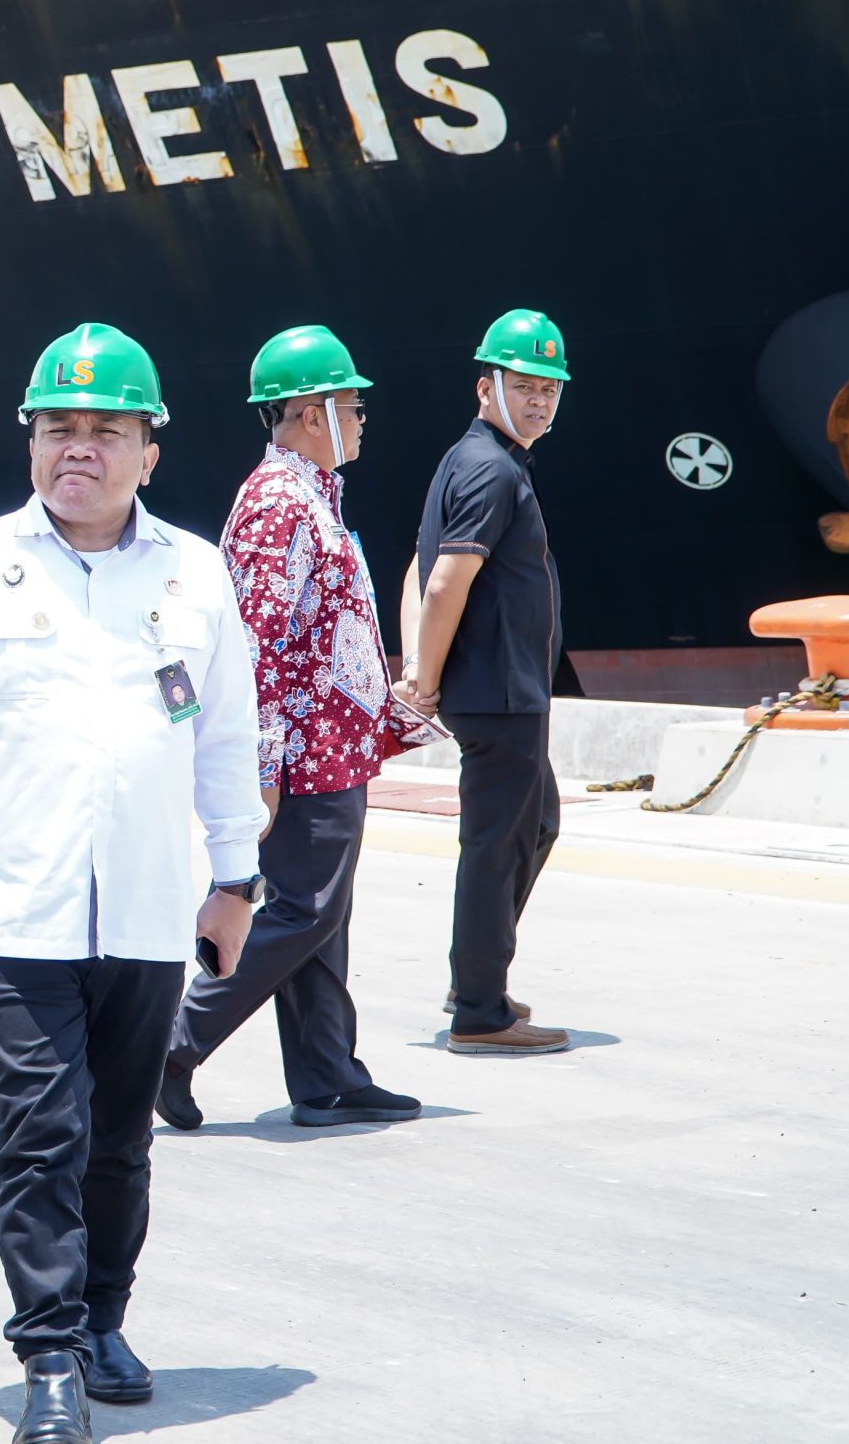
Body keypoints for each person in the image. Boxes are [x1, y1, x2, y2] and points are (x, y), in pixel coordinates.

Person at [0, 324, 266, 1443]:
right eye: (57, 427)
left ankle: (102, 1319)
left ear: (150, 450)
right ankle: (46, 1355)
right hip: (12, 912)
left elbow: (227, 736)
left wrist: (236, 877)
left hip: (144, 909)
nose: (77, 447)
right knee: (42, 1133)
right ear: (30, 442)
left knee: (119, 1139)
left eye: (104, 429)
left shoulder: (194, 572)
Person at [157, 327, 430, 1132]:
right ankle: (170, 1046)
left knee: (321, 917)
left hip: (333, 746)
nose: (363, 419)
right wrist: (263, 768)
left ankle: (327, 1077)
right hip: (306, 752)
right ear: (313, 413)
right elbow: (259, 647)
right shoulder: (279, 504)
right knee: (303, 912)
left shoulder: (309, 494)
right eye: (353, 406)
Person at [405, 310, 574, 1057]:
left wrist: (418, 665)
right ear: (486, 387)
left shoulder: (472, 459)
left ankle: (475, 977)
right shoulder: (492, 469)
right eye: (524, 386)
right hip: (499, 692)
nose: (539, 401)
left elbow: (417, 567)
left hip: (506, 692)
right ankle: (479, 1011)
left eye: (550, 389)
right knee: (496, 845)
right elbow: (444, 581)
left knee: (534, 825)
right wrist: (423, 678)